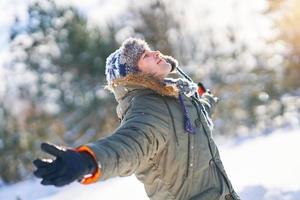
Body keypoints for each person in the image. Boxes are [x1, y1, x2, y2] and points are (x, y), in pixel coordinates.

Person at [33, 38, 240, 200]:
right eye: (145, 56)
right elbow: (129, 145)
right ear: (133, 76)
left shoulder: (173, 98)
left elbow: (195, 116)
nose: (156, 52)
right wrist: (89, 160)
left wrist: (205, 100)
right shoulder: (149, 108)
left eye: (150, 50)